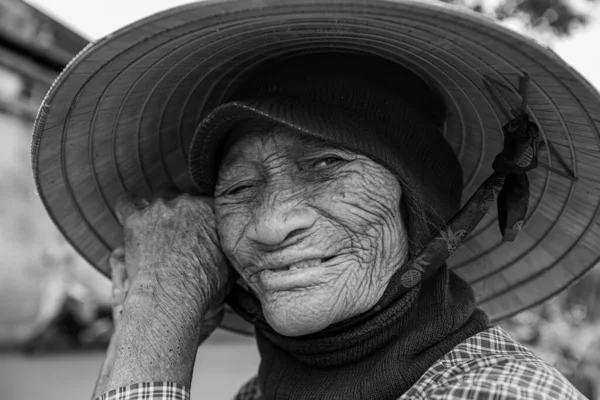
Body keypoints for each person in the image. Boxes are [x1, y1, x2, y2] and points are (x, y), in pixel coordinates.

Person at [30, 1, 600, 399]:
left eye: (328, 166)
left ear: (422, 206)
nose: (272, 225)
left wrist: (156, 323)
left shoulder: (496, 392)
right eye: (237, 189)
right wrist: (149, 317)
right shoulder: (259, 394)